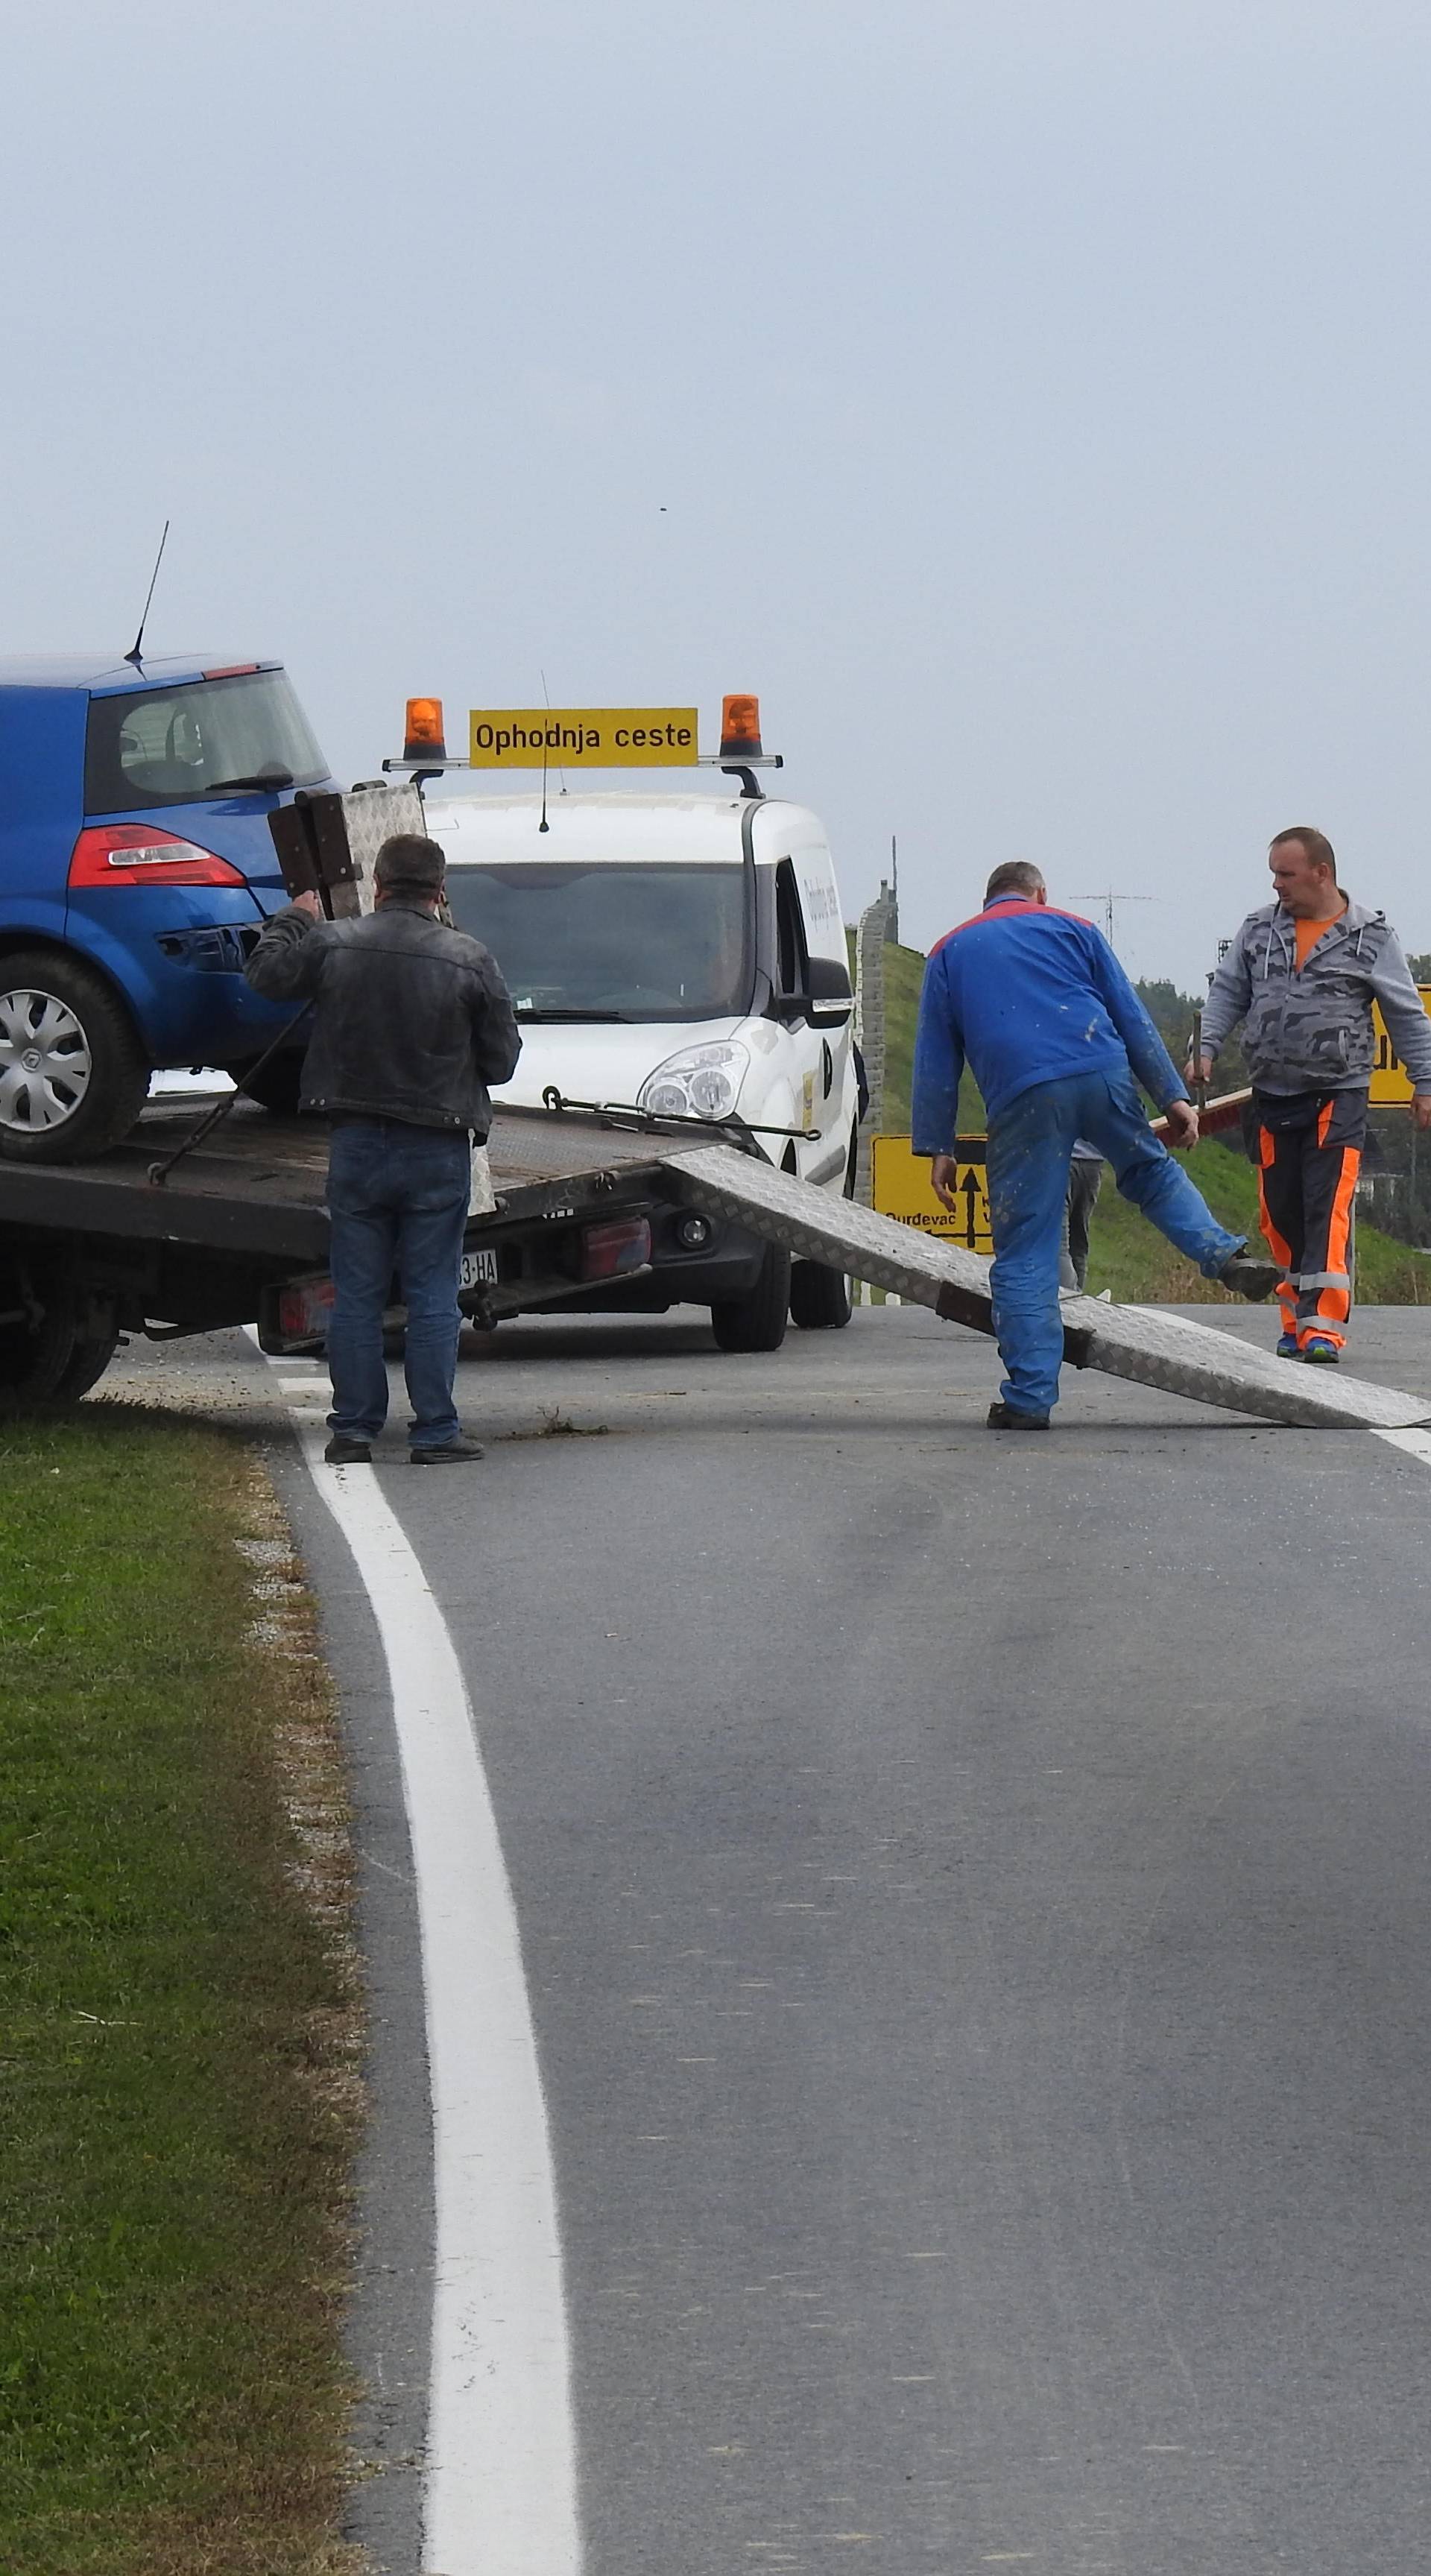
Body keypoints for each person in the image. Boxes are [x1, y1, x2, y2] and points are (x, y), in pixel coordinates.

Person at [912, 861, 1276, 1429]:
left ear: (988, 900)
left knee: (1027, 1252)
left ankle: (1030, 1400)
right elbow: (1129, 1014)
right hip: (1102, 1070)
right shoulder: (1075, 928)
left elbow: (936, 1058)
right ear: (1039, 894)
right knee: (1150, 1173)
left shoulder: (949, 951)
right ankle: (1224, 1254)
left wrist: (939, 1147)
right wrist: (1174, 1098)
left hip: (1025, 1093)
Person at [246, 833, 520, 1465]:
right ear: (440, 892)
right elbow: (502, 1063)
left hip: (358, 1144)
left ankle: (353, 1431)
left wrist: (298, 915)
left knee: (357, 1293)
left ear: (378, 885)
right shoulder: (471, 959)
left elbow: (264, 975)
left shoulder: (334, 944)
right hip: (437, 1150)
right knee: (430, 1293)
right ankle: (434, 1433)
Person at [1194, 827, 1431, 1364]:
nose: (1276, 884)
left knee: (1327, 1206)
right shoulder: (1259, 930)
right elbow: (1228, 992)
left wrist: (1426, 1083)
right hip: (1271, 1094)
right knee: (1280, 1213)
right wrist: (1205, 1048)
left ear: (1321, 873)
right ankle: (1294, 1318)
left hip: (1337, 1093)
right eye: (1274, 874)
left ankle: (1322, 1327)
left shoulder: (1370, 935)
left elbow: (1405, 1014)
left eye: (1286, 873)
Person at [1061, 1140, 1103, 1292]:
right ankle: (1078, 1298)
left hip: (1062, 1158)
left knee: (1058, 1243)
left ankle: (1069, 1302)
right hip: (1093, 1162)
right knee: (1078, 1242)